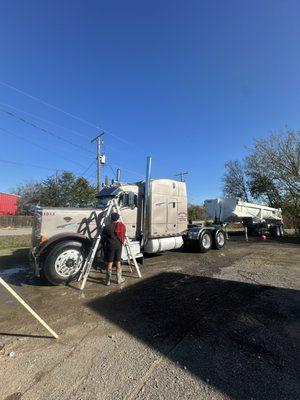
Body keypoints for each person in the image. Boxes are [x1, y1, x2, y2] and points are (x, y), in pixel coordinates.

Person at [101, 212, 126, 286]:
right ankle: (119, 279)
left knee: (110, 262)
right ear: (118, 218)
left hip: (110, 246)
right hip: (118, 246)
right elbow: (123, 234)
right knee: (118, 261)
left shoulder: (106, 227)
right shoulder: (122, 226)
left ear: (111, 218)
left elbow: (103, 238)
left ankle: (107, 281)